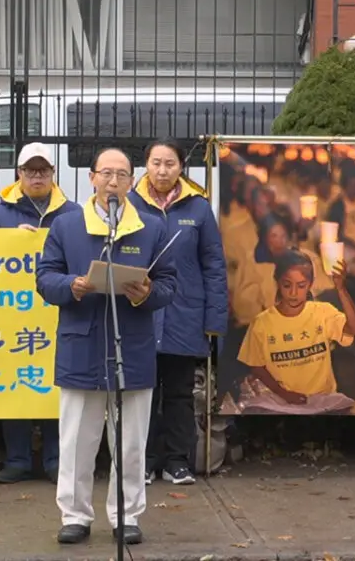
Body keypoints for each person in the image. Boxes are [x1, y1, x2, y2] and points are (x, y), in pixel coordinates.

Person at [36, 148, 177, 546]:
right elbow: (45, 277)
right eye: (106, 174)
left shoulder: (150, 228)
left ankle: (127, 515)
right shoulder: (66, 226)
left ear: (133, 182)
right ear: (92, 178)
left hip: (131, 347)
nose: (113, 182)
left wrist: (146, 292)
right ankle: (75, 514)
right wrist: (71, 286)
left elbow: (168, 285)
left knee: (131, 442)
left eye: (122, 175)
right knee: (77, 439)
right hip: (81, 345)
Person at [127, 140, 227, 486]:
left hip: (184, 314)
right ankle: (144, 461)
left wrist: (214, 319)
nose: (162, 170)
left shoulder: (198, 208)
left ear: (181, 167)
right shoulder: (129, 203)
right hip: (139, 313)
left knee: (180, 393)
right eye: (156, 163)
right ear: (146, 166)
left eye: (169, 163)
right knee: (142, 394)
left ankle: (176, 461)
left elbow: (213, 264)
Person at [0, 142, 81, 485]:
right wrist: (10, 241)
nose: (36, 176)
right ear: (19, 175)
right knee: (16, 385)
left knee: (56, 387)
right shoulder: (0, 215)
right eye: (30, 171)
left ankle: (56, 460)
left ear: (53, 175)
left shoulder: (72, 213)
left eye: (43, 171)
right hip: (13, 315)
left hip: (57, 313)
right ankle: (17, 459)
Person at [236, 251, 355, 404]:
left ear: (310, 284)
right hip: (280, 402)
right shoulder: (262, 323)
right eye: (287, 285)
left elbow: (354, 328)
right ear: (277, 282)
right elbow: (256, 365)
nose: (294, 293)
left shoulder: (322, 313)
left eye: (301, 286)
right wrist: (283, 393)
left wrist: (341, 289)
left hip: (322, 399)